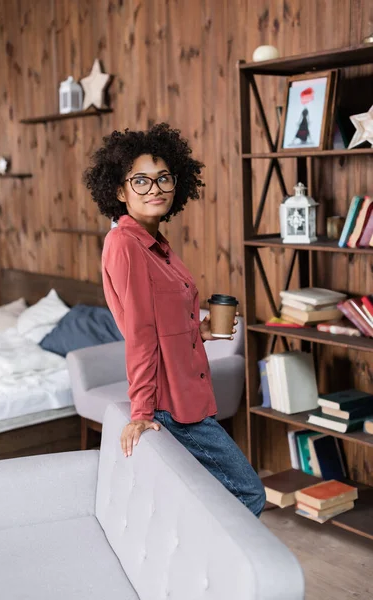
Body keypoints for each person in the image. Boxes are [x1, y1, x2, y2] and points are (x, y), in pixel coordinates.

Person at [83, 123, 266, 518]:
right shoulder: (125, 245)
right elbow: (140, 335)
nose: (155, 188)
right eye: (142, 181)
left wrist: (197, 330)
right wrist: (142, 412)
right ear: (119, 191)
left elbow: (161, 321)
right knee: (249, 494)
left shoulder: (157, 244)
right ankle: (220, 577)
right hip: (170, 407)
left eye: (164, 178)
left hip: (190, 396)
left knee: (199, 500)